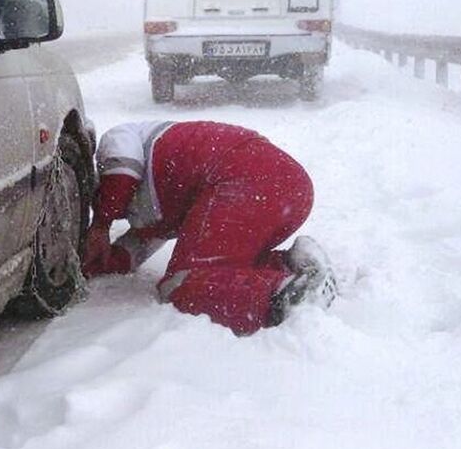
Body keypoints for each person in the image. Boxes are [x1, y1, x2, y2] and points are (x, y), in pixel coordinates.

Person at [82, 120, 336, 335]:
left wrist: (101, 224)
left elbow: (122, 173)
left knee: (183, 286)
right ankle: (293, 264)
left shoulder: (117, 140)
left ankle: (288, 298)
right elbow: (133, 249)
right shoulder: (158, 200)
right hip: (288, 187)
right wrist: (89, 264)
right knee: (224, 269)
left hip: (244, 178)